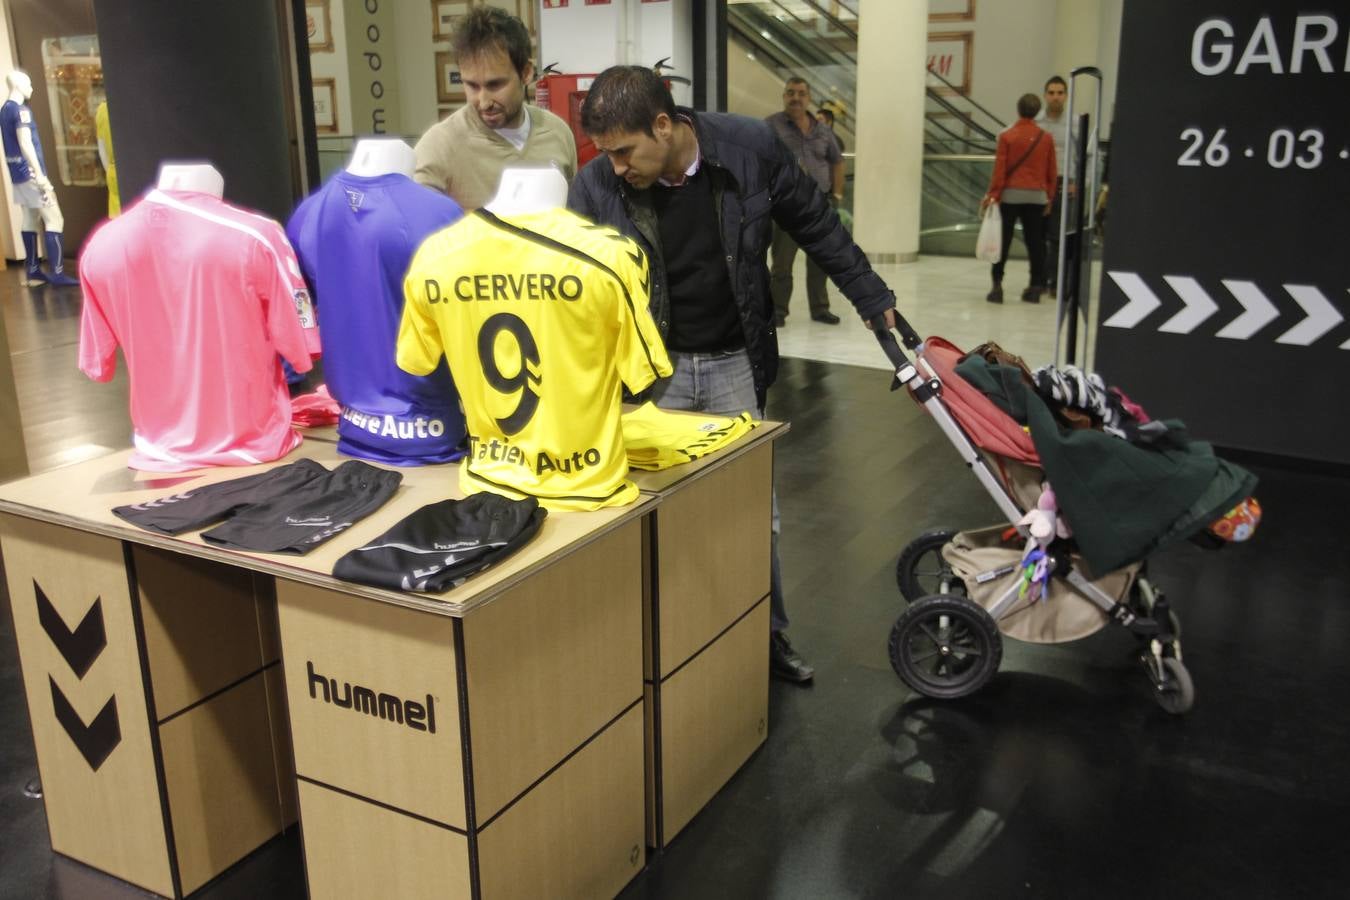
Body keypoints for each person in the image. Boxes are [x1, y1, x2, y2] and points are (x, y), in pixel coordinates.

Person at [568, 65, 898, 684]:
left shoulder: (749, 150)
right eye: (605, 154)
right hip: (649, 379)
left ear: (663, 126)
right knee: (647, 514)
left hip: (733, 364)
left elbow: (816, 222)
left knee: (750, 513)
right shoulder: (594, 187)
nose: (615, 167)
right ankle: (661, 647)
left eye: (623, 151)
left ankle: (765, 635)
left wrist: (871, 295)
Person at [413, 6, 576, 210]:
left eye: (495, 85)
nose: (484, 101)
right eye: (472, 85)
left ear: (526, 73)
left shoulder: (557, 132)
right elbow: (414, 229)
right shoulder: (439, 146)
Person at [765, 77, 845, 326]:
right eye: (790, 93)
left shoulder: (823, 130)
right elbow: (758, 159)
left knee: (821, 259)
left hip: (819, 204)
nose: (796, 98)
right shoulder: (771, 125)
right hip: (786, 205)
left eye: (801, 93)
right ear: (784, 97)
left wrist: (838, 194)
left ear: (809, 98)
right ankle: (778, 311)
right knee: (782, 264)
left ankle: (820, 309)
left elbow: (837, 160)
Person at [2, 70, 78, 286]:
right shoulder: (21, 111)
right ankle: (58, 272)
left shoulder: (4, 110)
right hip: (32, 174)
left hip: (17, 174)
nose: (32, 89)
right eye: (29, 84)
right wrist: (41, 176)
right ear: (18, 85)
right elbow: (26, 143)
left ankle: (33, 270)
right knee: (55, 218)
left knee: (30, 218)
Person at [981, 93, 1057, 304]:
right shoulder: (1046, 137)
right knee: (1036, 243)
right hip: (1037, 197)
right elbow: (1052, 170)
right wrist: (1049, 196)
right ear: (1036, 111)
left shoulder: (1007, 136)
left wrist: (993, 194)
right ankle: (1035, 286)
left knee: (1002, 243)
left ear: (1018, 110)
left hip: (1010, 196)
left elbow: (1000, 170)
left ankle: (997, 286)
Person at [1037, 75, 1077, 292]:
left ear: (1066, 96)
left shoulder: (1076, 123)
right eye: (1051, 93)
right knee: (1039, 238)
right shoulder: (1036, 122)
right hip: (1039, 188)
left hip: (1065, 186)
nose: (1055, 97)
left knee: (1058, 238)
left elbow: (1089, 157)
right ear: (1045, 95)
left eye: (1060, 93)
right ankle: (1041, 279)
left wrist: (1080, 183)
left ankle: (1056, 282)